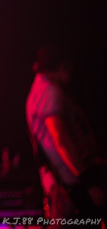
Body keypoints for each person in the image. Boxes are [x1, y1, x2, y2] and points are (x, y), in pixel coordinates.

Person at [25, 43, 105, 219]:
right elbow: (61, 141)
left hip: (66, 182)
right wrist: (89, 182)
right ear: (63, 66)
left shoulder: (40, 90)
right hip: (71, 184)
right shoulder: (49, 93)